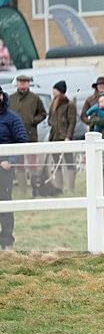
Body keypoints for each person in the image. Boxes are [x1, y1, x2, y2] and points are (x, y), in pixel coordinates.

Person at [0, 85, 28, 249]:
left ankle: (6, 240)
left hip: (4, 168)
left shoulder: (12, 118)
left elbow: (22, 141)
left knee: (4, 201)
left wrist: (11, 160)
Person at [9, 74, 46, 196]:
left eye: (25, 82)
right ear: (17, 83)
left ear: (28, 83)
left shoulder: (35, 98)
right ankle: (22, 191)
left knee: (32, 164)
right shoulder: (11, 98)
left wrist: (33, 121)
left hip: (30, 135)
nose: (23, 84)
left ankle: (35, 190)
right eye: (20, 82)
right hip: (15, 137)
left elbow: (43, 113)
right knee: (19, 165)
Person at [47, 80, 77, 193]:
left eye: (55, 89)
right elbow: (50, 118)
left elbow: (72, 122)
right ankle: (58, 188)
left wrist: (68, 136)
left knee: (69, 162)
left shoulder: (69, 105)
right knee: (56, 163)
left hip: (65, 137)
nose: (53, 92)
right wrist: (51, 122)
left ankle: (71, 189)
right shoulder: (53, 104)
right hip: (54, 137)